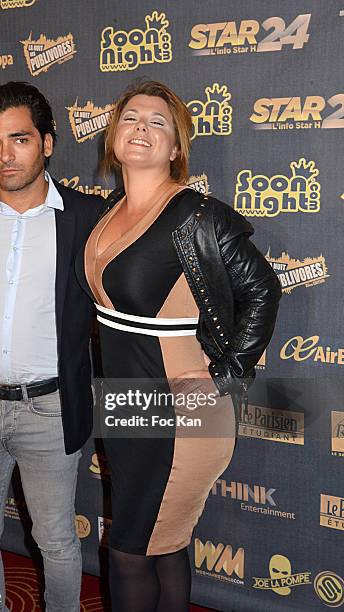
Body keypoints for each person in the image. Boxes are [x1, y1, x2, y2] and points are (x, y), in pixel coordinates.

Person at [80, 80, 282, 612]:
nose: (140, 128)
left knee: (128, 551)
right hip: (128, 407)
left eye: (157, 122)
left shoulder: (196, 216)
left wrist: (229, 379)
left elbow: (263, 287)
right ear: (112, 136)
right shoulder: (108, 211)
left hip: (182, 412)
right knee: (163, 545)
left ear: (176, 149)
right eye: (130, 118)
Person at [0, 82, 103, 612]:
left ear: (48, 142)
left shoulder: (89, 216)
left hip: (51, 410)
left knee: (56, 543)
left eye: (20, 139)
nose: (5, 156)